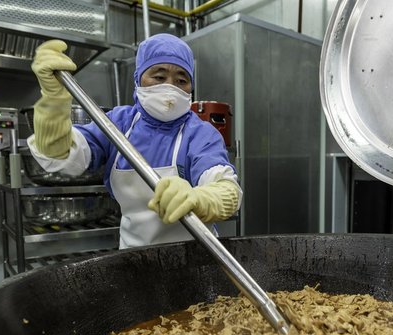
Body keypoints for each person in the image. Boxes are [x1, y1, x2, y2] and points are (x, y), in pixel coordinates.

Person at [28, 34, 242, 248]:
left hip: (197, 254)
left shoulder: (200, 133)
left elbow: (227, 190)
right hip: (134, 256)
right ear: (138, 78)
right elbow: (62, 154)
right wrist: (54, 101)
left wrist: (199, 199)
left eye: (181, 80)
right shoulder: (117, 124)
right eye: (159, 77)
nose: (170, 87)